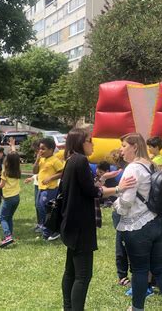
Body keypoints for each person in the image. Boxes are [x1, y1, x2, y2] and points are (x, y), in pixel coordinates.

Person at [60, 128, 135, 311]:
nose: (92, 143)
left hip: (70, 222)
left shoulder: (71, 160)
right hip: (81, 226)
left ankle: (68, 307)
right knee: (83, 275)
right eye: (89, 140)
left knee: (71, 271)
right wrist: (119, 188)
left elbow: (85, 187)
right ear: (80, 142)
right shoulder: (81, 160)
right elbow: (93, 192)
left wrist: (103, 178)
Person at [113, 133, 162, 311]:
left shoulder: (132, 169)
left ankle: (137, 309)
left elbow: (126, 202)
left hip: (140, 226)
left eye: (124, 146)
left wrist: (116, 205)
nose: (121, 150)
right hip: (161, 222)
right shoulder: (153, 165)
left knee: (140, 270)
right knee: (161, 269)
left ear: (134, 146)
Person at [0, 151, 22, 248]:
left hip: (8, 199)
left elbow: (1, 185)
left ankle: (7, 236)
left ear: (7, 161)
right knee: (9, 217)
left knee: (2, 218)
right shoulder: (17, 170)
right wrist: (12, 146)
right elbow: (15, 156)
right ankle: (10, 235)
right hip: (16, 198)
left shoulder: (5, 172)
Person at [33, 137, 64, 240]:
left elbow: (62, 172)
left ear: (51, 150)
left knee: (46, 209)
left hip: (50, 189)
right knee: (39, 207)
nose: (40, 151)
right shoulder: (41, 159)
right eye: (39, 149)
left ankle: (49, 232)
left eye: (43, 148)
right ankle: (45, 229)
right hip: (41, 188)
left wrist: (50, 178)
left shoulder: (55, 160)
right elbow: (34, 171)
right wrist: (37, 160)